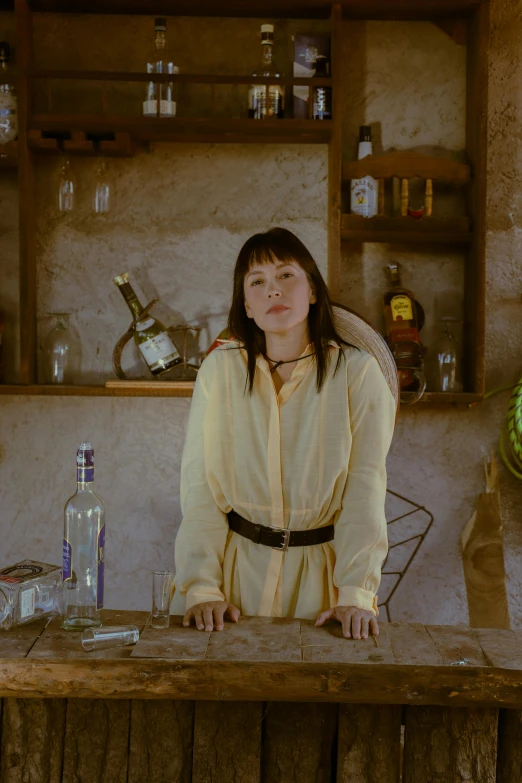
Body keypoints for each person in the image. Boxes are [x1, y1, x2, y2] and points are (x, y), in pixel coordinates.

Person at [170, 227, 396, 640]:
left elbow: (366, 487)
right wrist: (202, 586)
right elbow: (200, 487)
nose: (273, 290)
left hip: (323, 590)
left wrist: (356, 593)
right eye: (258, 282)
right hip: (233, 585)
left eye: (286, 275)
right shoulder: (220, 371)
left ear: (312, 290)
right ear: (247, 306)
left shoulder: (358, 373)